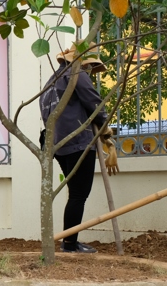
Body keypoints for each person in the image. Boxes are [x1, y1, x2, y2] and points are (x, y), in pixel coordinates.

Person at [39, 46, 118, 253]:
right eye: (91, 65)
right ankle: (70, 244)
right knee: (79, 194)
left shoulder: (53, 79)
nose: (91, 70)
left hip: (57, 143)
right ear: (83, 61)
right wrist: (106, 131)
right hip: (78, 141)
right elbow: (93, 101)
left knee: (75, 193)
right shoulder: (76, 73)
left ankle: (69, 241)